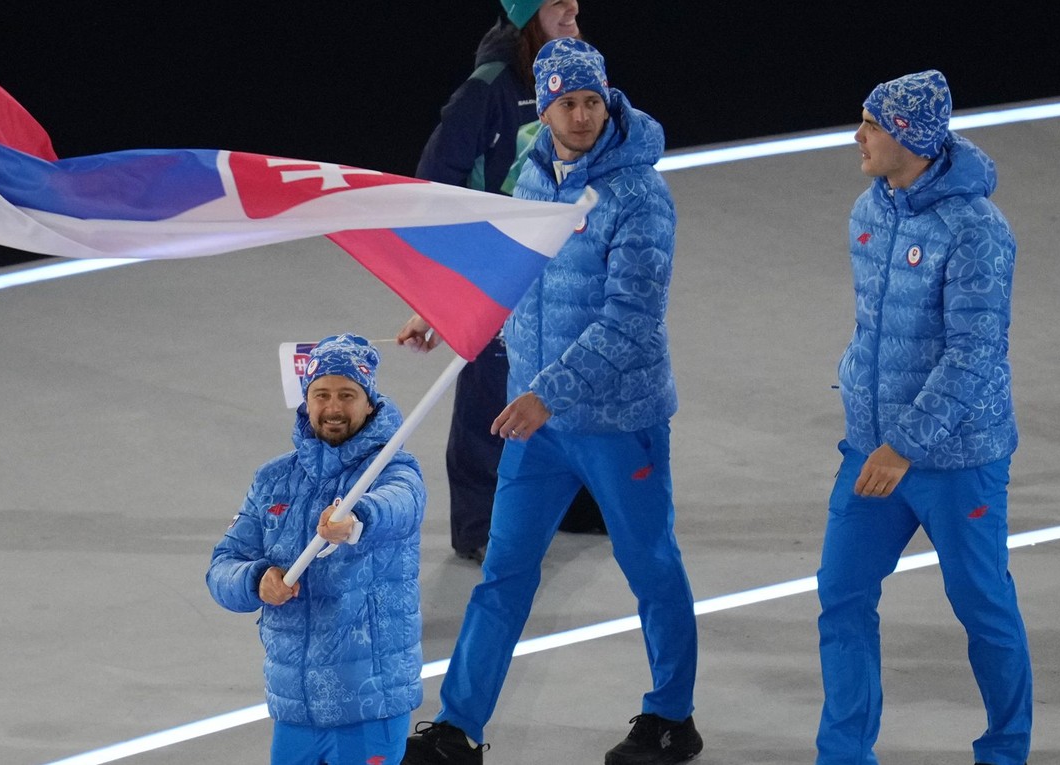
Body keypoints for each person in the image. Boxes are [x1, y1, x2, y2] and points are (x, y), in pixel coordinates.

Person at [402, 39, 702, 765]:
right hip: (539, 424)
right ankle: (457, 726)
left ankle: (671, 718)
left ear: (608, 101)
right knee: (505, 570)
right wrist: (447, 316)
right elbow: (511, 275)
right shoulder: (532, 176)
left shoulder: (639, 195)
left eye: (591, 101)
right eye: (567, 102)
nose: (580, 116)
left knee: (651, 566)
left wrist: (546, 393)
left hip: (617, 423)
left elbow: (631, 319)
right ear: (545, 104)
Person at [815, 70, 1031, 765]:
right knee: (842, 594)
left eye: (871, 124)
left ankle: (1005, 750)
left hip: (957, 458)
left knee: (981, 605)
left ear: (908, 136)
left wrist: (903, 443)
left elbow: (974, 356)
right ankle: (844, 753)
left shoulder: (978, 232)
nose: (859, 136)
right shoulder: (868, 211)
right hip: (873, 450)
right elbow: (871, 326)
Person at [398, 0, 605, 565]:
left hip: (563, 261)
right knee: (489, 395)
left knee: (565, 379)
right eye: (556, 1)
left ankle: (572, 502)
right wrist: (445, 290)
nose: (573, 8)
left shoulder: (576, 73)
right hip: (499, 266)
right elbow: (433, 188)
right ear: (525, 15)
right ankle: (479, 525)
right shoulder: (487, 89)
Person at [207, 334, 427, 765]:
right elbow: (222, 568)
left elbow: (399, 505)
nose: (333, 408)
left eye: (348, 395)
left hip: (369, 700)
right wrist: (256, 580)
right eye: (321, 394)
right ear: (305, 401)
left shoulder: (394, 469)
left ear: (369, 402)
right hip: (295, 704)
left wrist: (356, 518)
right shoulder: (272, 479)